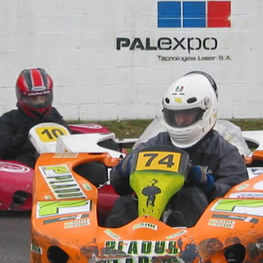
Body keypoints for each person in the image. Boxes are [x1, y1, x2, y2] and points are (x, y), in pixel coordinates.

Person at [104, 72, 248, 228]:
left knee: (192, 195)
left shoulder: (224, 151)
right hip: (147, 216)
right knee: (126, 202)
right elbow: (119, 186)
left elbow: (235, 197)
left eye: (187, 114)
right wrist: (125, 168)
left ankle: (178, 237)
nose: (180, 120)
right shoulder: (156, 143)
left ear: (206, 112)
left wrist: (206, 184)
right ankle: (113, 244)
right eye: (175, 115)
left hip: (199, 227)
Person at [0, 68, 68, 167]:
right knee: (22, 167)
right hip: (29, 162)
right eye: (34, 99)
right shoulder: (9, 120)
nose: (39, 103)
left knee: (89, 167)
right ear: (21, 96)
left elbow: (70, 142)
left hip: (60, 160)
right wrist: (23, 139)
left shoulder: (54, 117)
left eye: (43, 98)